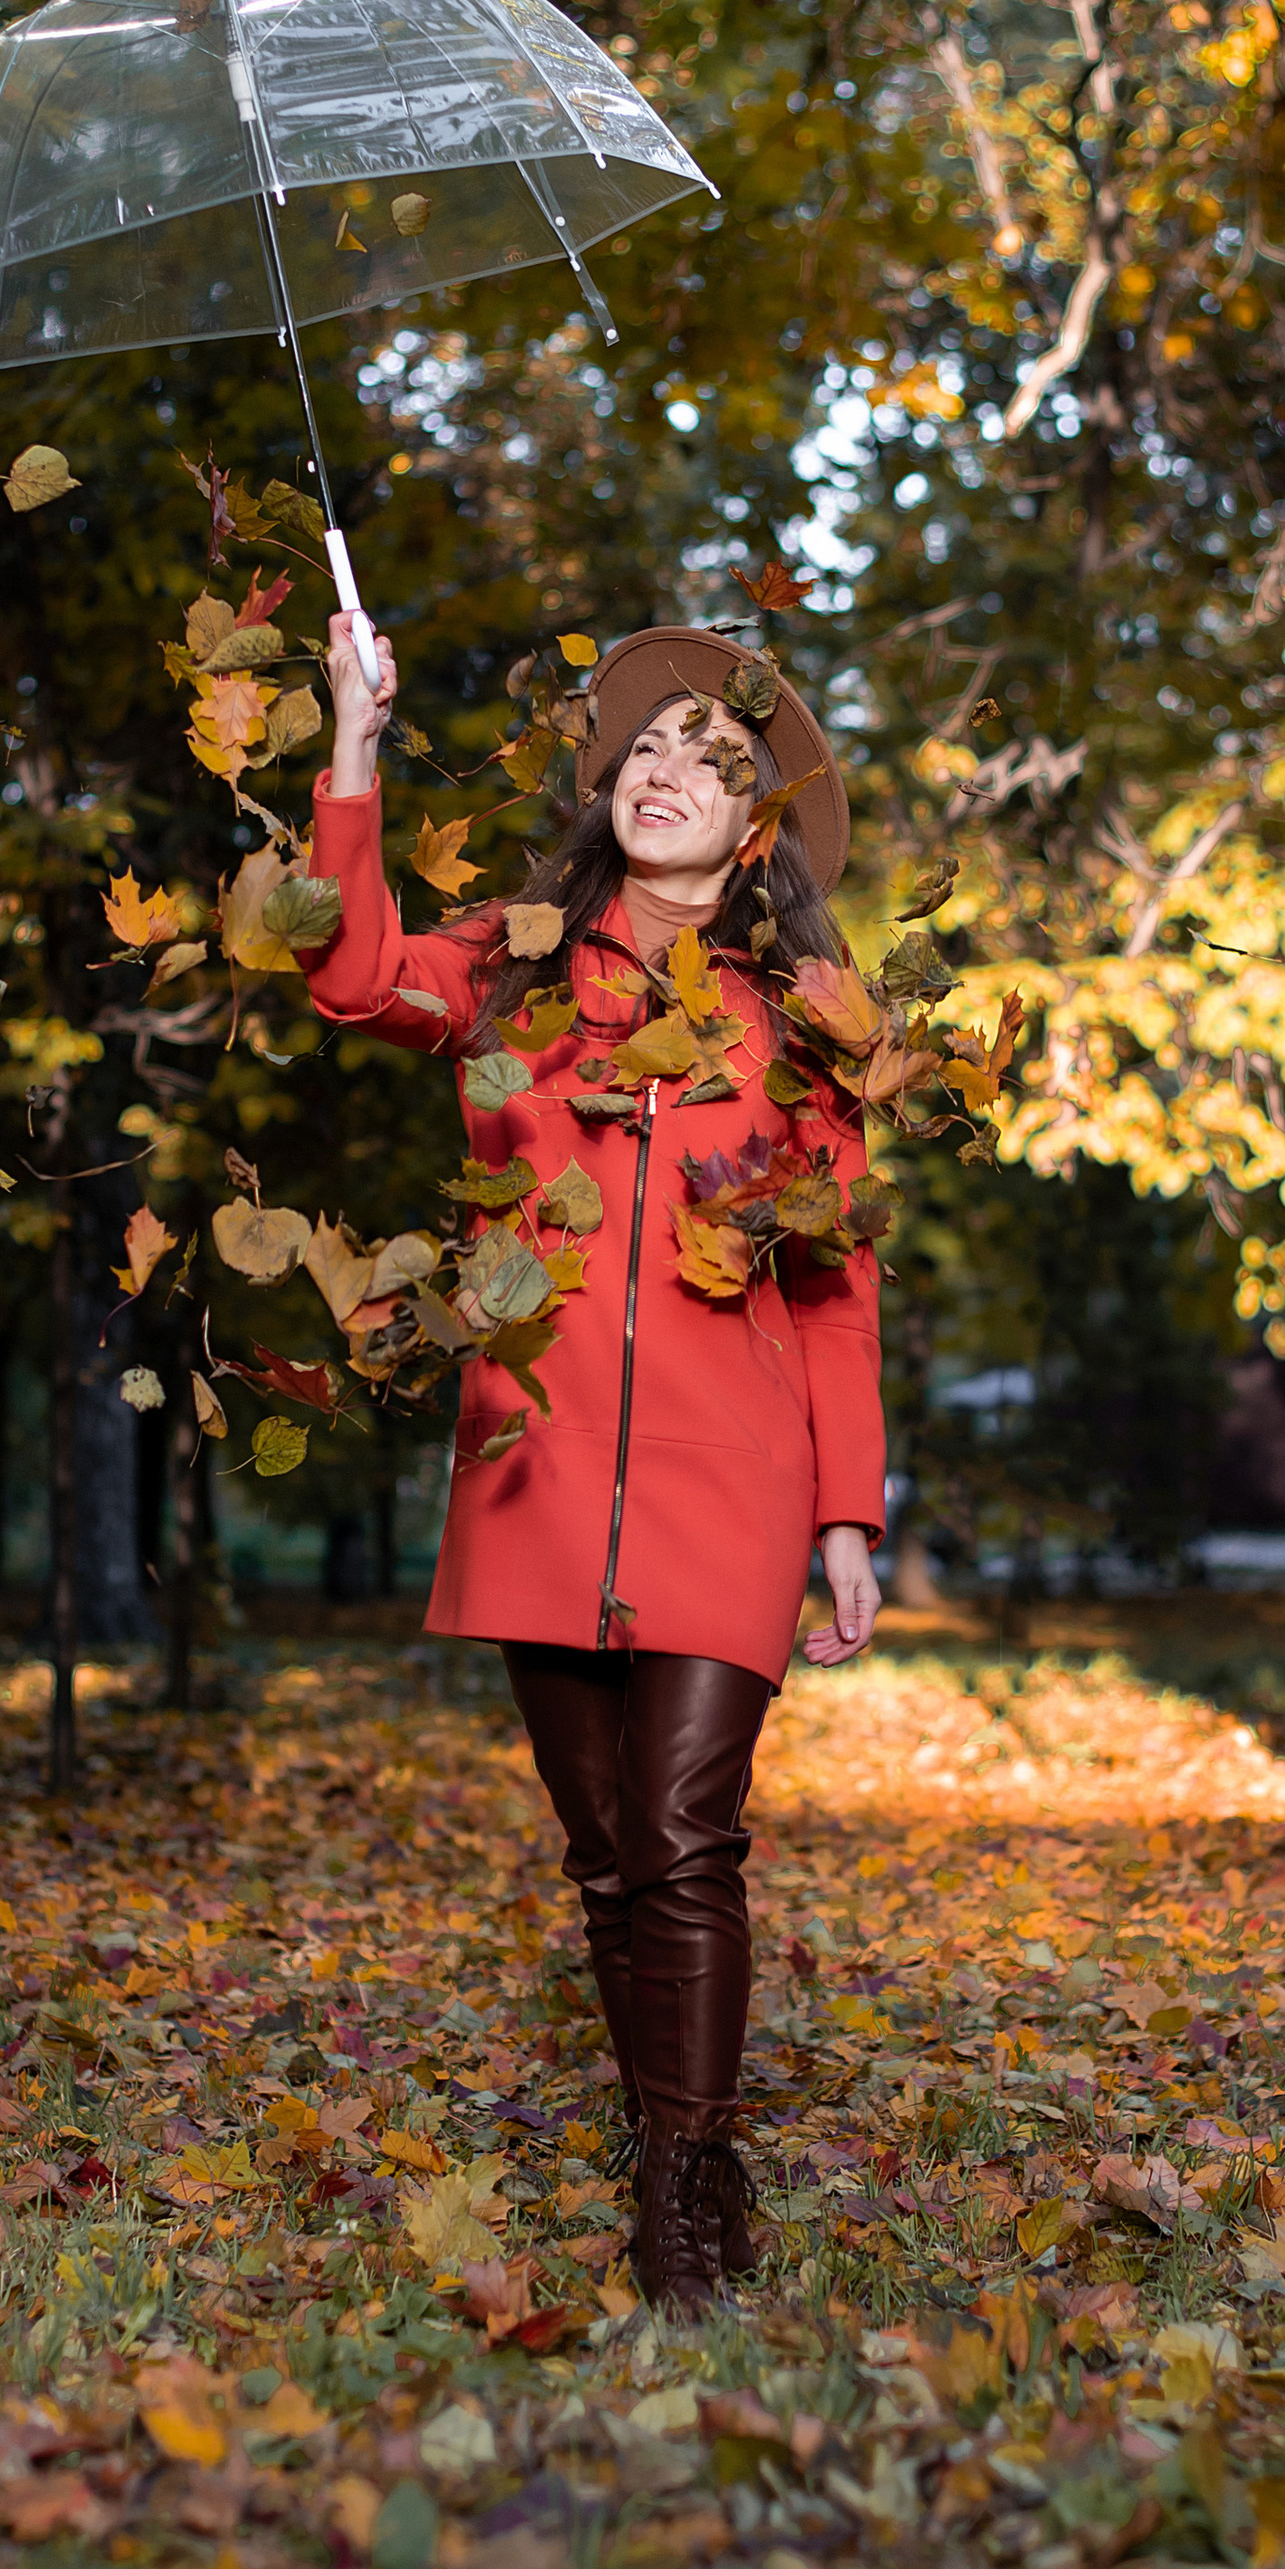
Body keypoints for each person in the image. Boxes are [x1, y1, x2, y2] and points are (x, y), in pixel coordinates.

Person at [304, 614, 885, 2312]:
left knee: (691, 1832)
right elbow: (347, 975)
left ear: (757, 824)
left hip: (734, 1468)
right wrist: (355, 734)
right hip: (538, 1461)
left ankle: (689, 2188)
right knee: (607, 1848)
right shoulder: (519, 969)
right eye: (646, 750)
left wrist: (849, 1510)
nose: (666, 773)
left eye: (710, 760)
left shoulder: (809, 1022)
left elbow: (838, 1287)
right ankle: (668, 2129)